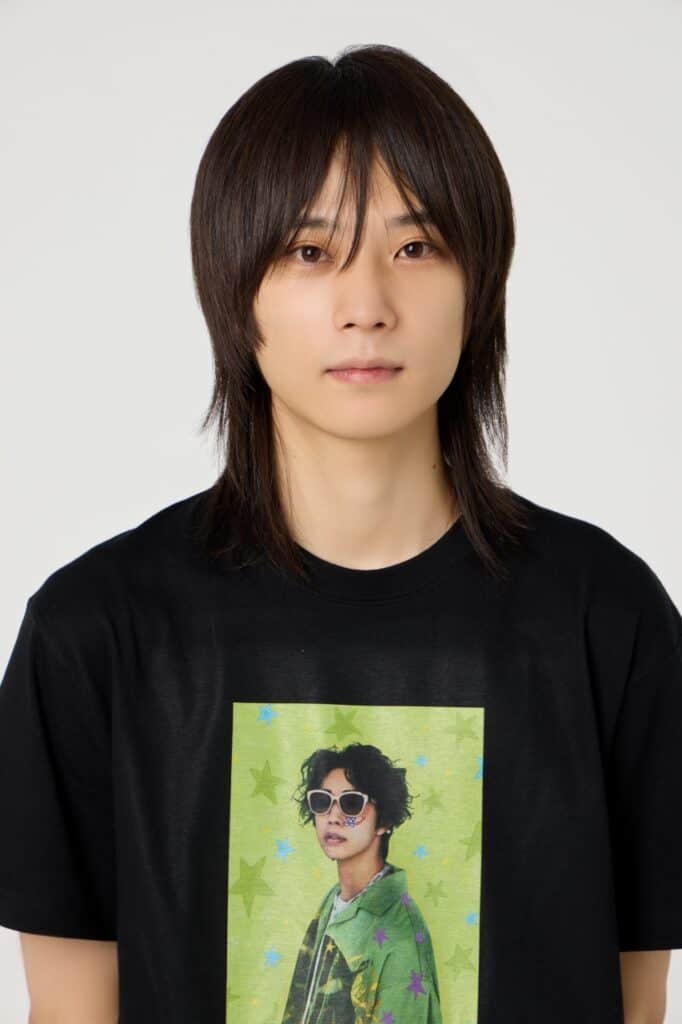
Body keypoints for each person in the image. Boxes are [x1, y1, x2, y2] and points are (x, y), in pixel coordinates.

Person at [0, 43, 680, 1024]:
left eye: (416, 246)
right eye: (311, 252)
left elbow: (637, 1004)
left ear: (480, 279)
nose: (366, 308)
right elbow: (71, 1009)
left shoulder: (606, 620)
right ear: (234, 287)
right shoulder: (95, 634)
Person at [281, 744, 442, 1024]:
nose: (333, 817)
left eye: (351, 803)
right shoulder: (334, 901)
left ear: (384, 820)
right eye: (322, 801)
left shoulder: (400, 936)